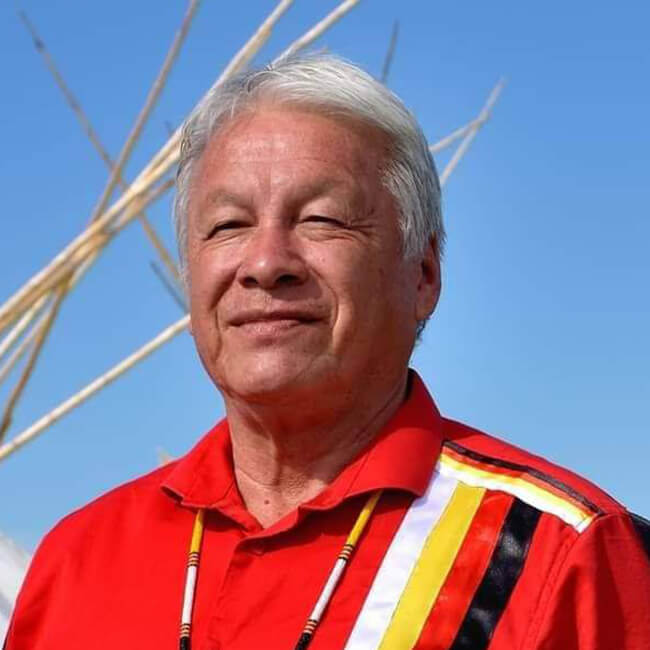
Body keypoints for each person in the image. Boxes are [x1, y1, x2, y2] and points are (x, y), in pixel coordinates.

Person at [5, 54, 650, 650]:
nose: (264, 264)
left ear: (422, 275)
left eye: (321, 219)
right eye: (228, 225)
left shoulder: (557, 554)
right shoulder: (81, 558)